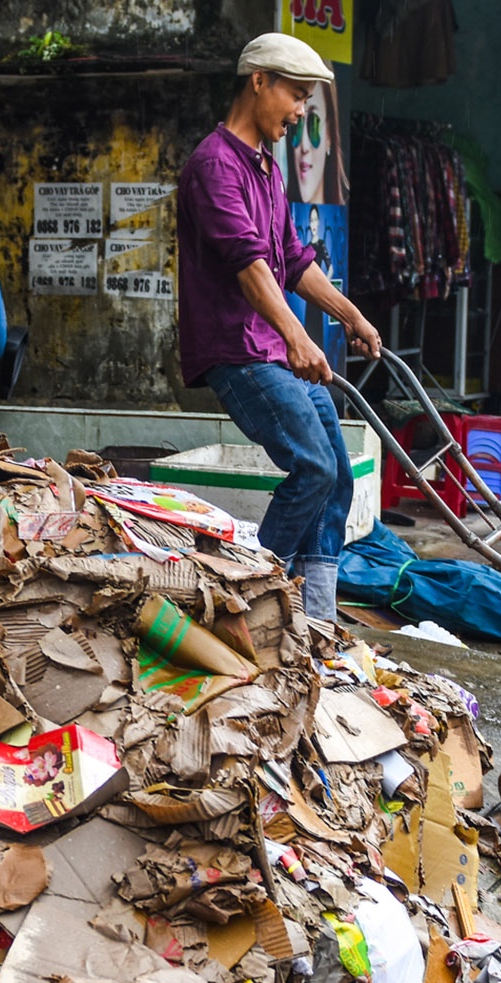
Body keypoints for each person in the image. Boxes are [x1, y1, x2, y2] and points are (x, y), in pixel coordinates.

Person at [176, 31, 382, 621]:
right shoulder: (213, 166)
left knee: (337, 473)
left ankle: (316, 619)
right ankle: (246, 602)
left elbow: (291, 258)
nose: (299, 112)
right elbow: (249, 267)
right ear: (258, 81)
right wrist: (298, 336)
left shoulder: (267, 167)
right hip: (236, 352)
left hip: (268, 346)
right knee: (313, 466)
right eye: (295, 95)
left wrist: (352, 318)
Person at [287, 79, 347, 206]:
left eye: (314, 125)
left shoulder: (341, 220)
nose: (304, 146)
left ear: (329, 135)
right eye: (297, 126)